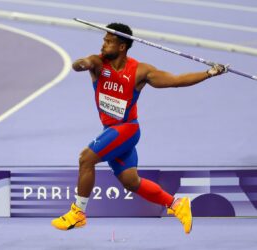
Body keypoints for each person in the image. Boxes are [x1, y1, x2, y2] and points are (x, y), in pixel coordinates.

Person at [51, 22, 227, 234]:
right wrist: (81, 64)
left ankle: (78, 213)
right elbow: (81, 63)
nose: (103, 44)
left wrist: (210, 72)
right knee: (131, 182)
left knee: (86, 158)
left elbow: (176, 81)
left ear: (122, 46)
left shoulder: (140, 71)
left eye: (109, 41)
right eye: (104, 40)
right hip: (111, 131)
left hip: (127, 129)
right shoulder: (98, 63)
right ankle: (176, 204)